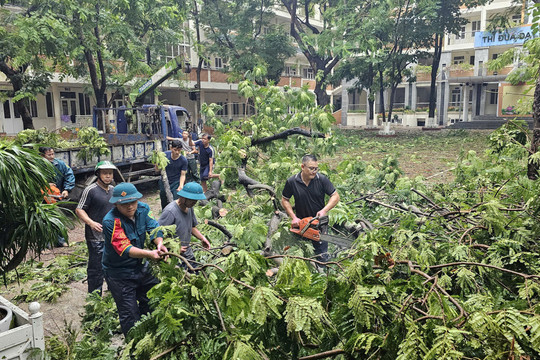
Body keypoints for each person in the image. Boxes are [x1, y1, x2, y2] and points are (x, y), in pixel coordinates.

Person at [102, 182, 168, 337]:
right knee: (129, 314)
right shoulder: (110, 221)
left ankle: (152, 337)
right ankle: (134, 346)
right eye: (124, 204)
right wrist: (150, 254)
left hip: (141, 267)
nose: (130, 207)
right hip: (119, 273)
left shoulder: (144, 209)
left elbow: (154, 228)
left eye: (133, 202)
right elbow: (125, 248)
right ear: (116, 204)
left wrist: (159, 244)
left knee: (152, 301)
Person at [281, 154, 340, 263]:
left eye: (316, 168)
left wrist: (324, 210)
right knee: (300, 256)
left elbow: (335, 196)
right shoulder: (292, 181)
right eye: (311, 168)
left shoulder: (321, 179)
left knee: (322, 256)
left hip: (319, 223)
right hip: (301, 223)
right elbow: (285, 199)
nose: (314, 171)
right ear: (302, 167)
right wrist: (293, 217)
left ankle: (322, 270)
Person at [75, 161, 118, 295]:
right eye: (105, 173)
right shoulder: (90, 190)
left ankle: (113, 291)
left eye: (110, 173)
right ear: (98, 174)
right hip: (95, 236)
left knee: (113, 264)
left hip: (112, 234)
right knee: (96, 267)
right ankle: (95, 296)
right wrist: (91, 223)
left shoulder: (113, 190)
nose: (108, 176)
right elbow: (79, 209)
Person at [158, 182, 210, 270]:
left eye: (195, 201)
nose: (194, 203)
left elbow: (192, 227)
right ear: (183, 197)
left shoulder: (189, 208)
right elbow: (159, 234)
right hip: (175, 257)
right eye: (192, 200)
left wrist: (202, 238)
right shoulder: (170, 212)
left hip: (188, 254)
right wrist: (174, 248)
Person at [40, 146, 75, 247]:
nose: (52, 156)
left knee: (58, 218)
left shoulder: (59, 164)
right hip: (42, 198)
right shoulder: (37, 166)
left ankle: (61, 241)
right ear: (42, 155)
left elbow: (69, 175)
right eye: (49, 155)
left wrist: (66, 189)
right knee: (44, 220)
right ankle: (46, 244)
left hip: (55, 197)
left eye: (53, 154)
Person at [159, 140, 188, 209]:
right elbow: (157, 169)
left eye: (179, 150)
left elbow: (183, 175)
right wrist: (157, 164)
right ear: (171, 148)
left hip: (176, 182)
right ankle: (165, 213)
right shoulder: (165, 155)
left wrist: (181, 185)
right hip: (164, 180)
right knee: (164, 199)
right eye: (175, 150)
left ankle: (176, 214)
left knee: (176, 200)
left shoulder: (183, 160)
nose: (177, 152)